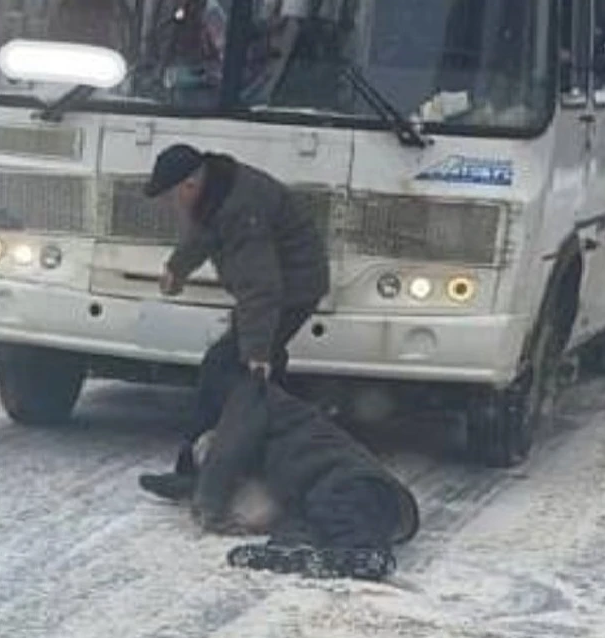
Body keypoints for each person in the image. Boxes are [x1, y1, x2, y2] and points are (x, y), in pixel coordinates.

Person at [136, 143, 330, 503]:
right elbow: (203, 235)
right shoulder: (218, 191)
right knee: (256, 380)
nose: (170, 206)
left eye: (169, 198)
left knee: (224, 370)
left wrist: (256, 352)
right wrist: (177, 268)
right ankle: (255, 466)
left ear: (189, 186)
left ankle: (202, 474)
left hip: (293, 289)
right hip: (279, 289)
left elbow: (261, 286)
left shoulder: (240, 208)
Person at [191, 371, 419, 581]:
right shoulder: (276, 458)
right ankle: (297, 549)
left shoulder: (255, 399)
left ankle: (363, 551)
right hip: (372, 500)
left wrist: (209, 504)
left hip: (357, 484)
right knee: (306, 518)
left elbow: (226, 454)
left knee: (334, 504)